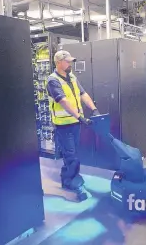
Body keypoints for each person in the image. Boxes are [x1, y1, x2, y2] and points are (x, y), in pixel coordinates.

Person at [47, 50, 100, 191]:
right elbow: (63, 101)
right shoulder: (53, 80)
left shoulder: (72, 77)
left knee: (74, 153)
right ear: (58, 62)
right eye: (67, 61)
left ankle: (70, 177)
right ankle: (69, 181)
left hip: (75, 124)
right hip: (63, 126)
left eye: (71, 61)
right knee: (70, 154)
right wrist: (80, 117)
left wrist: (94, 109)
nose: (70, 64)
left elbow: (83, 94)